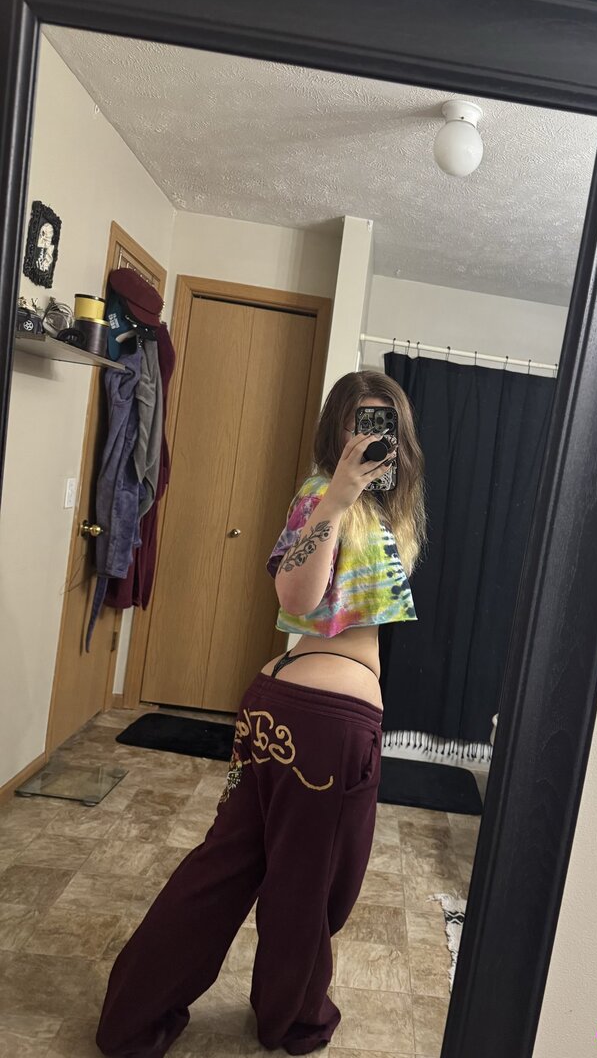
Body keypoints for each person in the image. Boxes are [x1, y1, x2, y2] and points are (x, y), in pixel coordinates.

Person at [96, 370, 427, 1057]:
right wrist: (337, 495)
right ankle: (292, 1019)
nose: (371, 438)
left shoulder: (384, 512)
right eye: (359, 422)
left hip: (285, 710)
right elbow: (296, 597)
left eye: (385, 424)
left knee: (225, 869)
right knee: (312, 889)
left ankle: (132, 1016)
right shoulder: (322, 495)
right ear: (335, 430)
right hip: (325, 726)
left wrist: (351, 498)